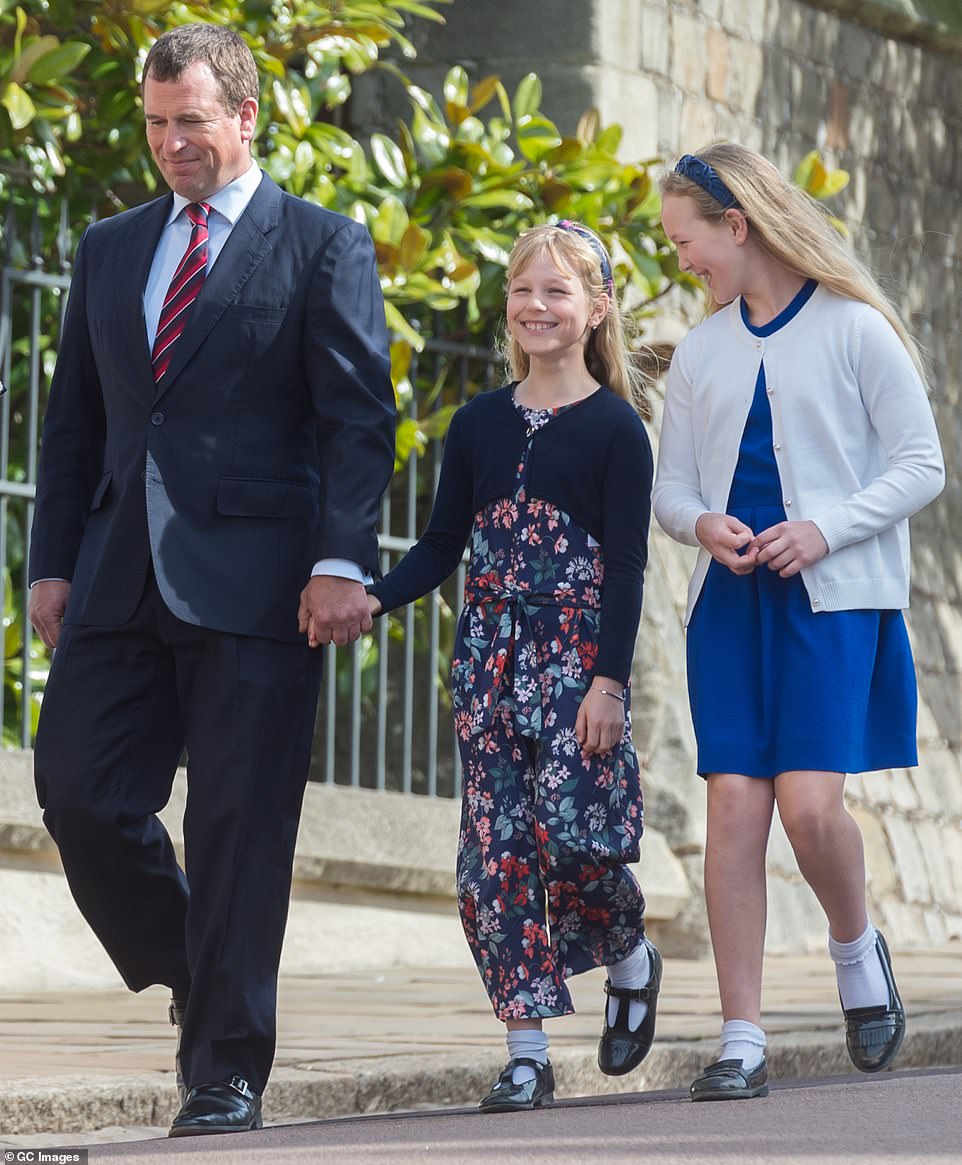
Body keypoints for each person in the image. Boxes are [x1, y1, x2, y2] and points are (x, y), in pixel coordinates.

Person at [27, 24, 395, 1137]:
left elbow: (356, 420)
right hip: (116, 576)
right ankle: (196, 962)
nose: (170, 143)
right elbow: (73, 425)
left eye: (189, 120)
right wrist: (50, 563)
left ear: (244, 116)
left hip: (264, 583)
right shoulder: (107, 247)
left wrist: (342, 560)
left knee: (240, 826)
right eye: (154, 123)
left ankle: (223, 1067)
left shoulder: (324, 244)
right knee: (79, 791)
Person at [653, 143, 945, 1101]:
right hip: (733, 606)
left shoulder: (857, 329)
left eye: (688, 241)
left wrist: (824, 529)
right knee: (735, 805)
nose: (682, 260)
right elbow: (673, 486)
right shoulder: (701, 350)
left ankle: (857, 952)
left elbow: (920, 466)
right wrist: (703, 523)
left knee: (812, 807)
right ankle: (742, 1033)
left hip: (834, 598)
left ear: (737, 226)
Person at [365, 222, 660, 1112]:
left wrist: (609, 681)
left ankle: (631, 956)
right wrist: (370, 598)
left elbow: (626, 567)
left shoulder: (617, 430)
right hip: (488, 667)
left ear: (596, 308)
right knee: (491, 860)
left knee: (577, 838)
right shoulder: (477, 424)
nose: (537, 306)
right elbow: (440, 545)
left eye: (558, 291)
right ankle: (525, 1051)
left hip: (575, 670)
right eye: (523, 291)